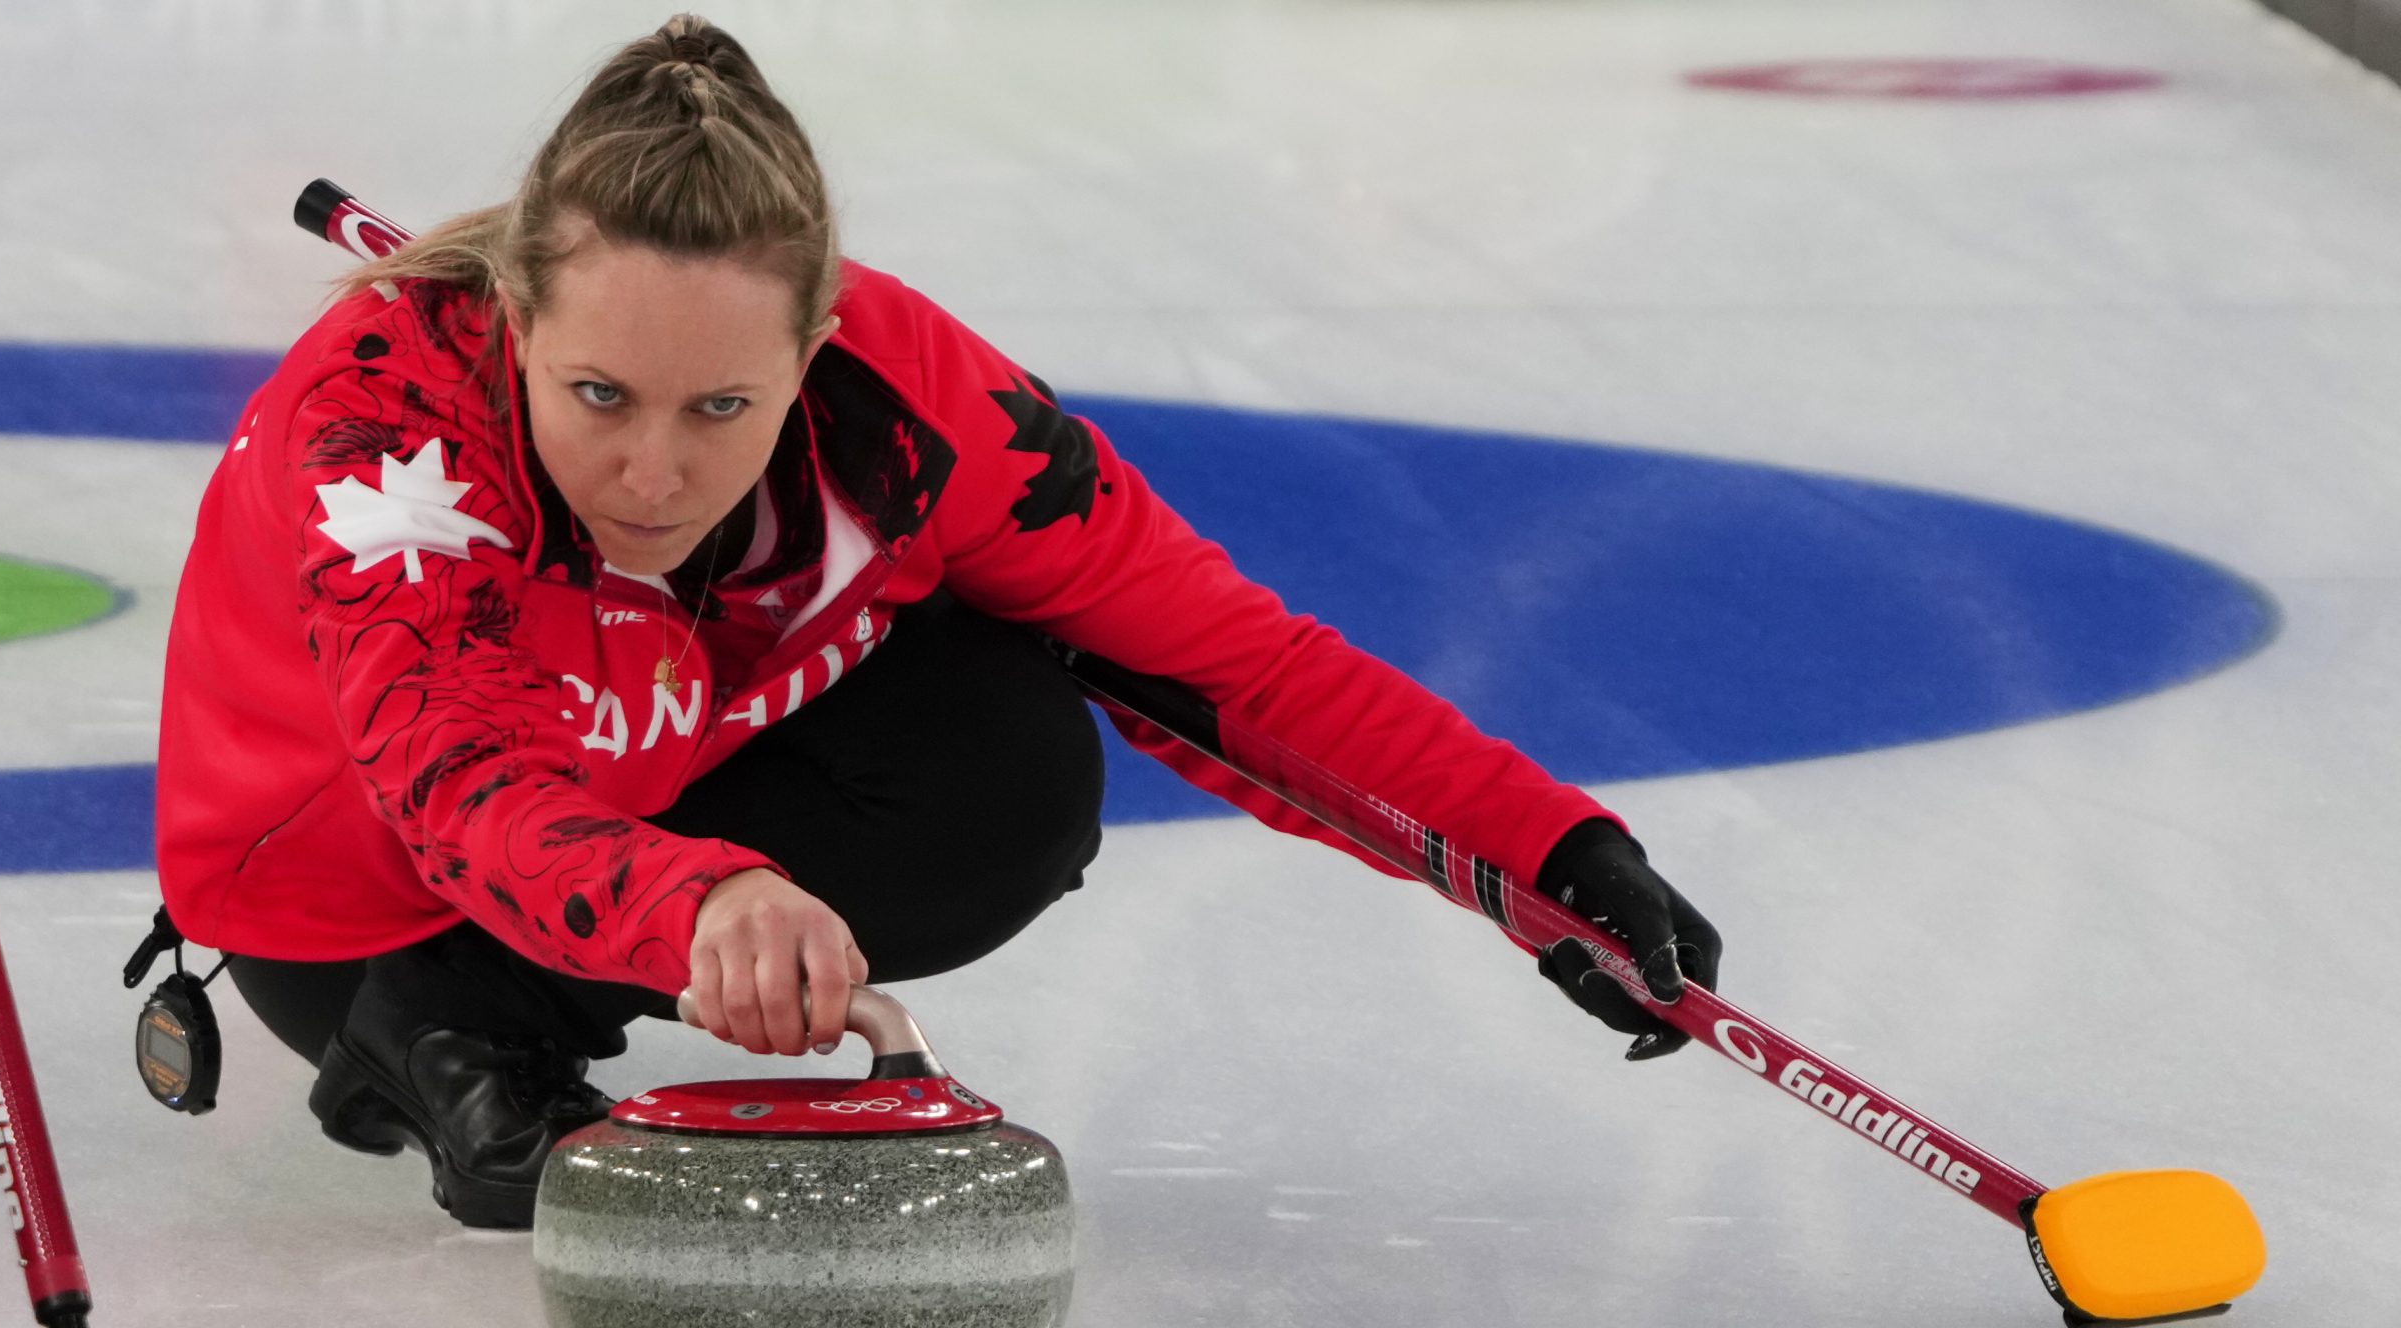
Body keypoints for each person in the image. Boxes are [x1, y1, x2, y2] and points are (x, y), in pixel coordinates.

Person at [152, 14, 1721, 1229]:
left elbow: (1227, 663)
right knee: (471, 853)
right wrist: (702, 904)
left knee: (1008, 762)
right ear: (515, 320)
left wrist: (1548, 855)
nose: (654, 468)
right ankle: (435, 1026)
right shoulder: (384, 445)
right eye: (597, 395)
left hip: (653, 782)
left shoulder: (916, 402)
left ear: (818, 344)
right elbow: (457, 790)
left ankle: (530, 989)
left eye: (722, 404)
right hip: (359, 901)